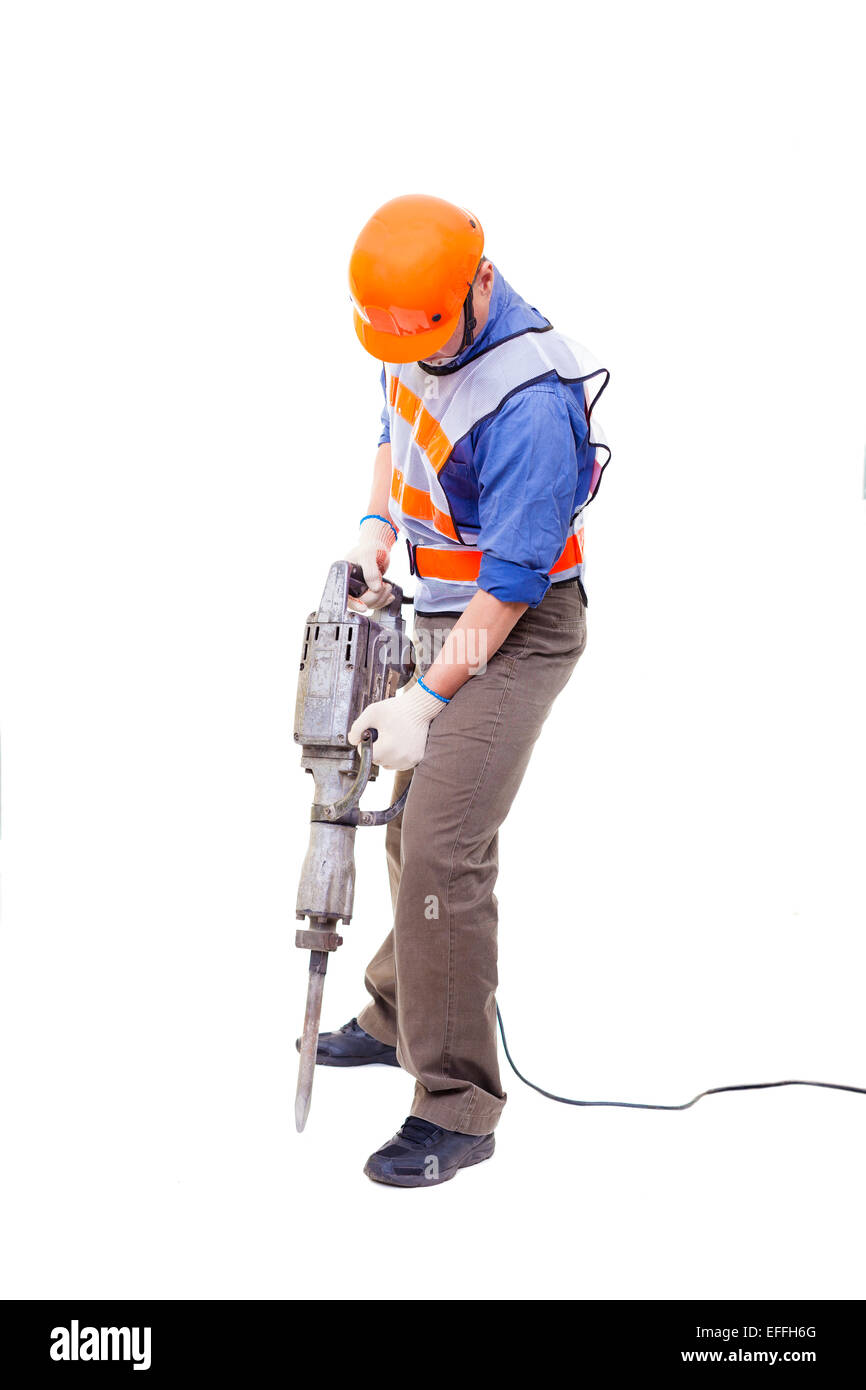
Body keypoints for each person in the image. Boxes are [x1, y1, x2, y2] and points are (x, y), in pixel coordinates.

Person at [310, 194, 610, 1187]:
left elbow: (515, 588)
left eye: (432, 334)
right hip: (439, 607)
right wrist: (371, 529)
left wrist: (424, 703)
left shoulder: (530, 403)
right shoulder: (412, 325)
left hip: (514, 632)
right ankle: (399, 1009)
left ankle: (456, 1108)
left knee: (442, 847)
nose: (418, 353)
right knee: (405, 827)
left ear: (477, 281)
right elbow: (396, 427)